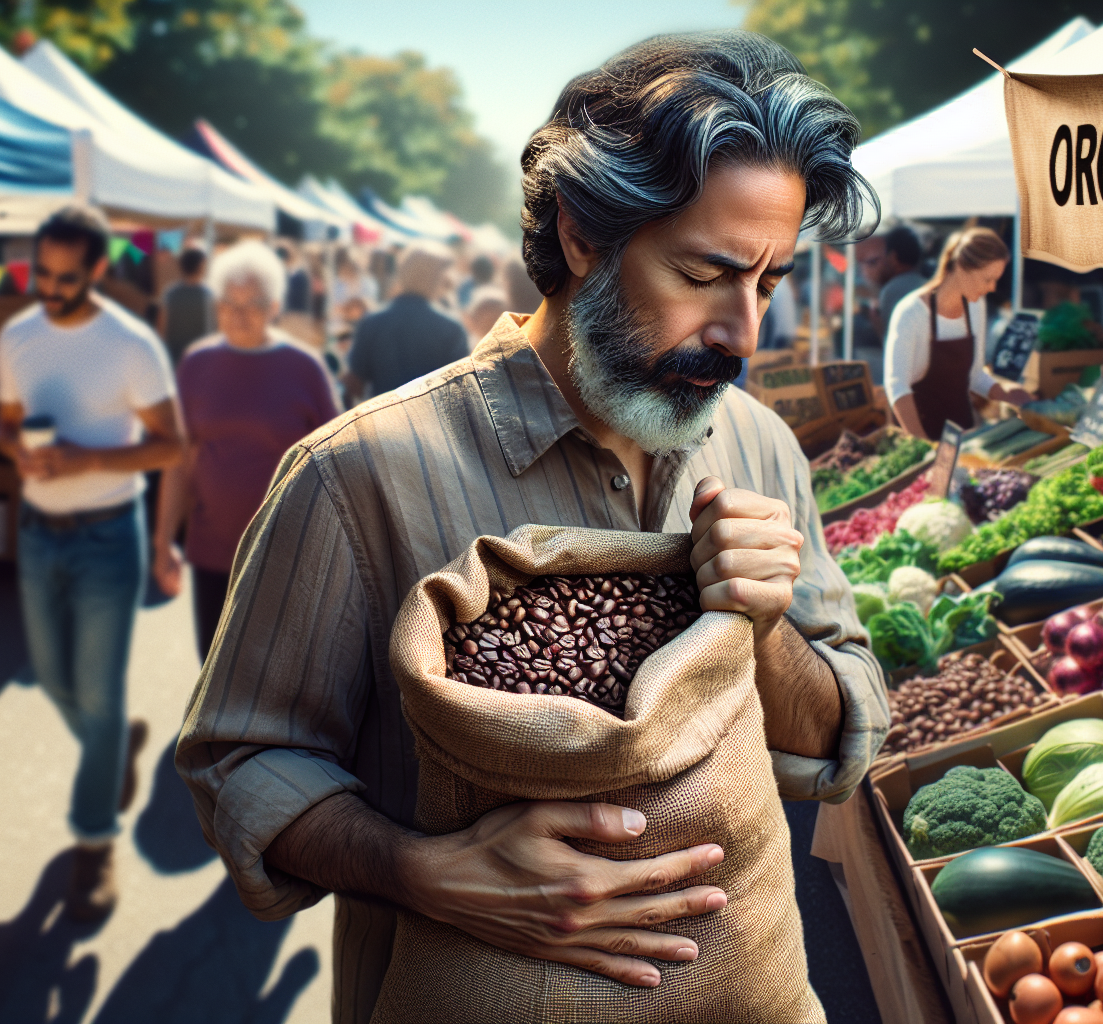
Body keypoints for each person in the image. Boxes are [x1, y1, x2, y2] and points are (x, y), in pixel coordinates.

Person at [176, 32, 890, 1024]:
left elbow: (840, 738)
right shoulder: (355, 474)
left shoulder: (760, 445)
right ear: (582, 233)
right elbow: (241, 764)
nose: (743, 334)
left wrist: (761, 626)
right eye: (703, 274)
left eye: (766, 284)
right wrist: (419, 871)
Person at [0, 205, 185, 922]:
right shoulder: (16, 336)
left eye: (65, 278)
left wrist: (88, 460)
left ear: (98, 269)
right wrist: (17, 450)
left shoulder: (132, 345)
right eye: (40, 274)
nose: (49, 288)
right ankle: (113, 749)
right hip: (36, 532)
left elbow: (171, 446)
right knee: (52, 679)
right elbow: (5, 422)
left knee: (98, 696)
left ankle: (95, 842)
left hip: (109, 536)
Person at [152, 241, 339, 658]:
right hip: (213, 550)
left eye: (251, 304)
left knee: (278, 672)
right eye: (228, 303)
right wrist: (163, 542)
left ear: (274, 306)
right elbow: (180, 461)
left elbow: (337, 462)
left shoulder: (305, 367)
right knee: (214, 668)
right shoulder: (196, 364)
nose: (237, 314)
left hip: (286, 553)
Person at [883, 226, 1032, 440]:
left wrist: (1007, 394)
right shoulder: (911, 312)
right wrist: (923, 445)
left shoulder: (975, 306)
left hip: (962, 435)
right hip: (920, 437)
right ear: (962, 268)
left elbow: (974, 375)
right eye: (987, 279)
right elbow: (897, 386)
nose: (992, 288)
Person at [341, 242, 469, 405]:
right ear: (438, 278)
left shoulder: (373, 322)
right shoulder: (452, 329)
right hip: (429, 418)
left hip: (382, 415)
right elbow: (460, 392)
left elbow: (354, 384)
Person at [158, 246, 214, 364]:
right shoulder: (209, 295)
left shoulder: (170, 294)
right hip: (202, 359)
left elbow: (161, 329)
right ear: (201, 266)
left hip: (174, 358)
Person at [870, 224, 926, 335]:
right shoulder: (927, 285)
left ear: (893, 257)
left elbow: (891, 337)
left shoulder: (891, 291)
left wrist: (877, 323)